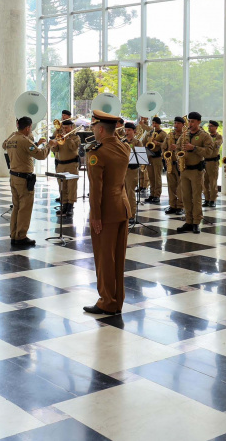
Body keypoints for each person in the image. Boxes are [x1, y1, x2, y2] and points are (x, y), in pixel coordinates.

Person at [82, 110, 132, 315]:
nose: (92, 130)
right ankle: (117, 300)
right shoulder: (123, 147)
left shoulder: (97, 152)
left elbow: (96, 189)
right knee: (118, 258)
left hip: (107, 211)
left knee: (104, 258)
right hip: (123, 206)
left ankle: (106, 301)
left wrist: (95, 217)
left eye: (94, 127)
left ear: (101, 129)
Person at [4, 116, 49, 246]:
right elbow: (40, 155)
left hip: (13, 177)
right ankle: (21, 236)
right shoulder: (24, 140)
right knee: (25, 208)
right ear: (28, 127)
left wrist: (37, 144)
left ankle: (14, 234)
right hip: (23, 179)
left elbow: (24, 151)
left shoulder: (12, 139)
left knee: (16, 207)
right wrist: (48, 146)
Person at [176, 112, 215, 233]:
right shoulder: (184, 135)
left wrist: (194, 148)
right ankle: (188, 221)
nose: (190, 124)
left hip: (196, 171)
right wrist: (179, 155)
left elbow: (209, 152)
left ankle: (196, 222)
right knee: (186, 197)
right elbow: (177, 148)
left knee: (196, 197)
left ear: (199, 122)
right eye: (189, 121)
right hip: (185, 170)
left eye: (193, 121)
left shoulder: (204, 136)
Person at [50, 119, 80, 217]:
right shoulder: (60, 137)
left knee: (71, 187)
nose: (64, 130)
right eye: (63, 128)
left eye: (66, 128)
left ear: (71, 128)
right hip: (61, 165)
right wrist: (53, 145)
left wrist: (67, 138)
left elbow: (73, 147)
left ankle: (70, 207)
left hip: (71, 164)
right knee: (62, 186)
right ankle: (64, 205)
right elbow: (56, 150)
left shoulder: (76, 138)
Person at [164, 116, 186, 215]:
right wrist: (167, 151)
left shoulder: (186, 136)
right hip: (171, 163)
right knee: (171, 186)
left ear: (183, 125)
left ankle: (181, 206)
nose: (176, 125)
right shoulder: (169, 135)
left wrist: (177, 147)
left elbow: (186, 149)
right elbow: (163, 148)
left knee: (181, 186)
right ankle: (172, 205)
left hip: (181, 164)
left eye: (178, 123)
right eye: (175, 123)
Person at [144, 116, 167, 204]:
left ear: (159, 124)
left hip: (157, 157)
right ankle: (152, 194)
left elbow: (166, 145)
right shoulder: (149, 133)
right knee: (151, 176)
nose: (154, 125)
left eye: (156, 123)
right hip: (149, 157)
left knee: (157, 177)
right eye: (153, 123)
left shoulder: (163, 134)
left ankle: (157, 195)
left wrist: (157, 143)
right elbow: (145, 142)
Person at [122, 122, 141, 223]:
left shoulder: (137, 142)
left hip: (132, 169)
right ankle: (123, 213)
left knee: (130, 192)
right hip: (123, 170)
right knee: (122, 192)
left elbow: (140, 156)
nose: (127, 132)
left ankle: (132, 215)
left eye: (129, 130)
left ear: (134, 131)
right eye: (126, 130)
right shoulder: (122, 141)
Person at [202, 120, 223, 207]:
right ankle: (207, 199)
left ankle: (213, 200)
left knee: (213, 181)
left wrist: (207, 140)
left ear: (216, 127)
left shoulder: (219, 137)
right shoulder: (207, 136)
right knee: (205, 181)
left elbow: (214, 145)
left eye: (211, 126)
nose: (209, 128)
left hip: (213, 162)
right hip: (205, 161)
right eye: (209, 126)